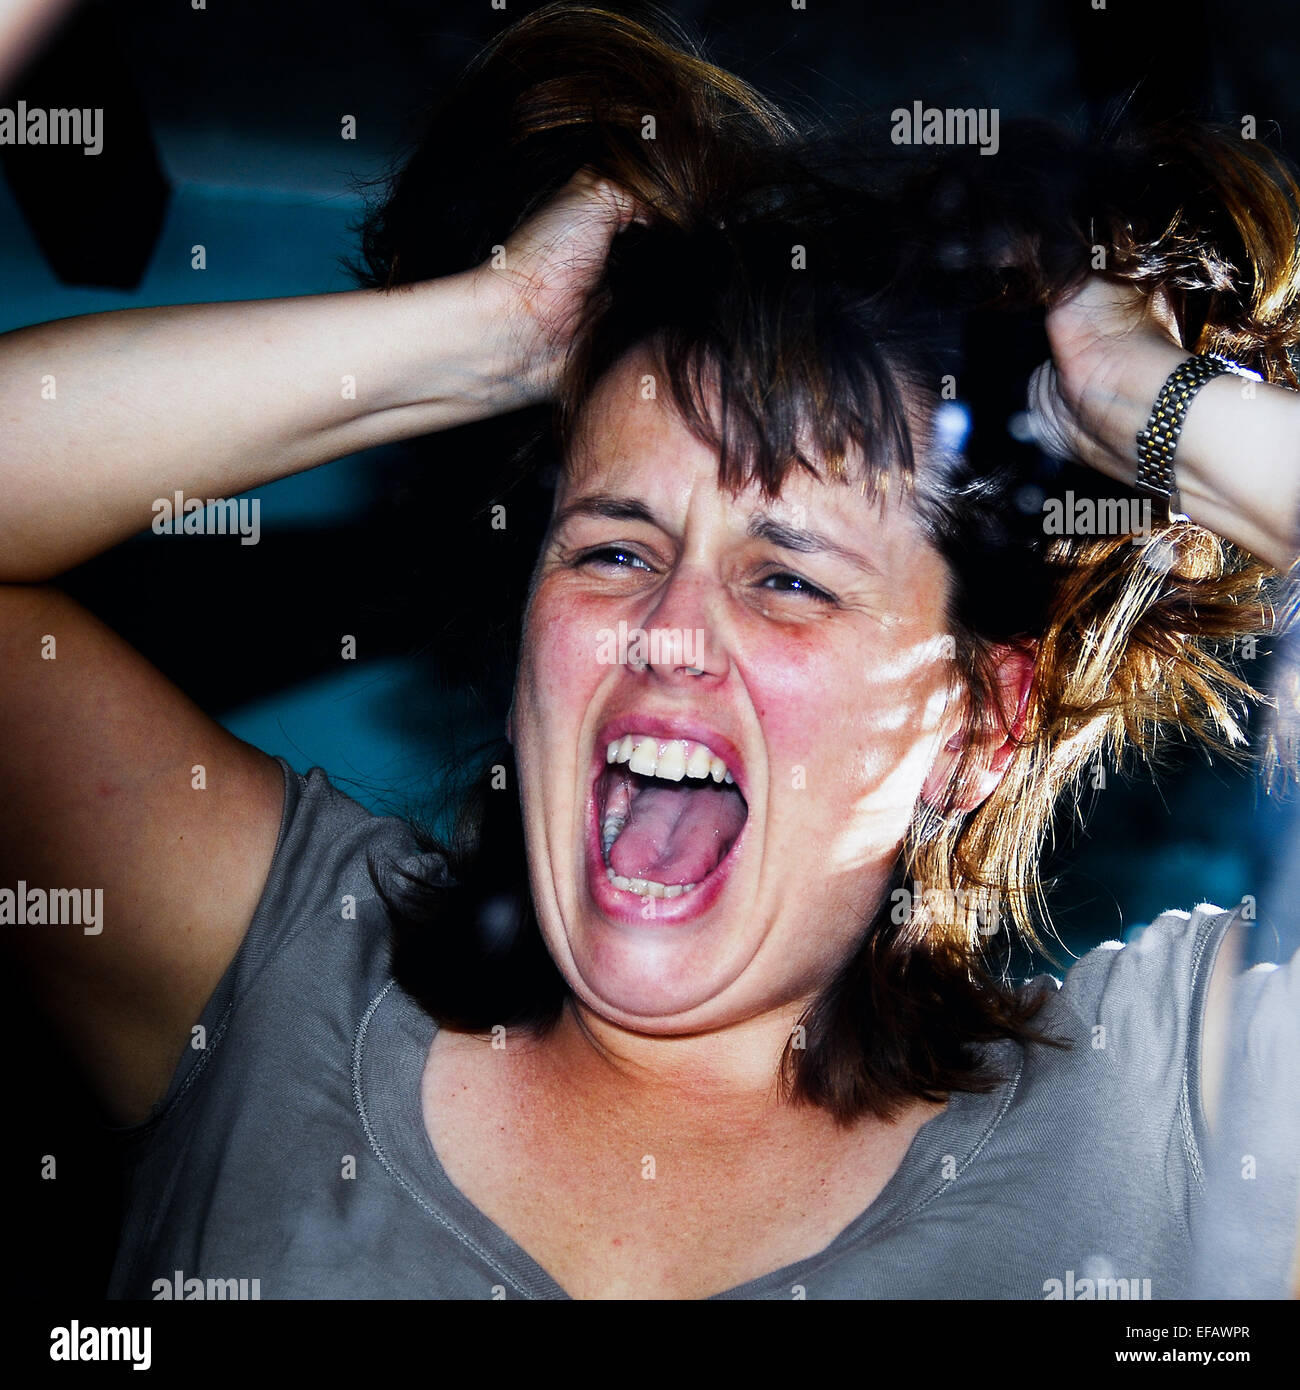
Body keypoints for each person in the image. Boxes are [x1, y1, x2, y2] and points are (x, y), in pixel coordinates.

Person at [1, 2, 1298, 1300]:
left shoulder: (1165, 1117)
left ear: (975, 728)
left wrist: (1147, 405)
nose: (669, 627)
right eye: (614, 549)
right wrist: (490, 336)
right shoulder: (284, 972)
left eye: (788, 577)